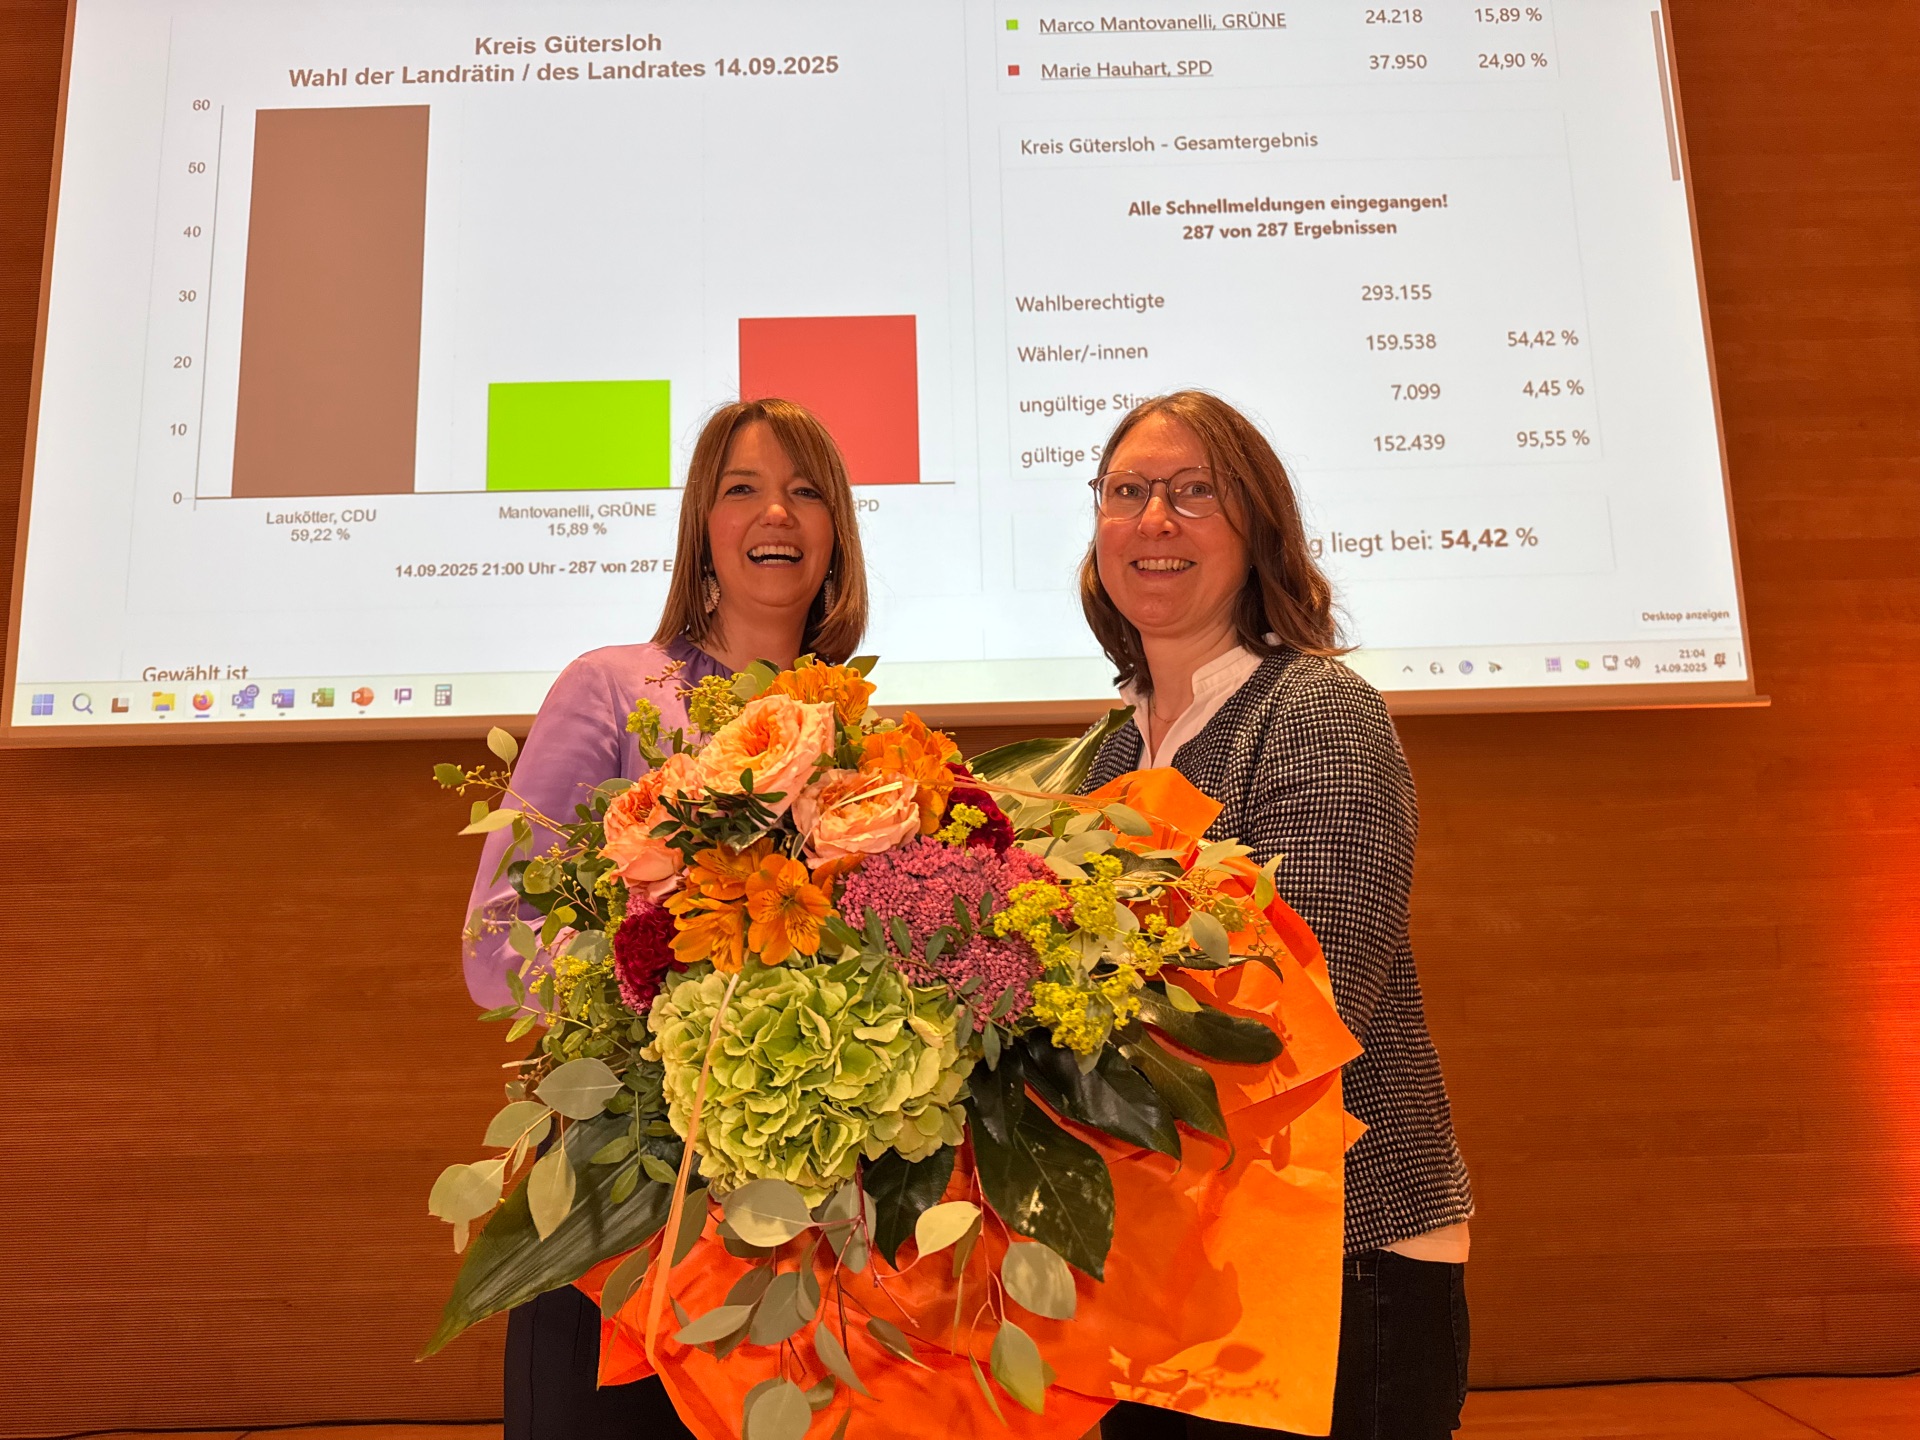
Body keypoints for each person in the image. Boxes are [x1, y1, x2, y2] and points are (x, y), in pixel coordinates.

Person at [459, 398, 870, 1440]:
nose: (776, 511)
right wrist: (656, 991)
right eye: (742, 488)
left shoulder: (867, 738)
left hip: (791, 1225)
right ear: (702, 526)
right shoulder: (610, 688)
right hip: (621, 1197)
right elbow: (495, 945)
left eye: (806, 489)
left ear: (834, 537)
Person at [1077, 392, 1475, 1440]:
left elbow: (1314, 991)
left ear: (1259, 530)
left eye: (1194, 493)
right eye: (1128, 493)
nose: (1153, 521)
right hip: (1173, 1273)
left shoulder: (1313, 710)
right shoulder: (1106, 753)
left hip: (1346, 1259)